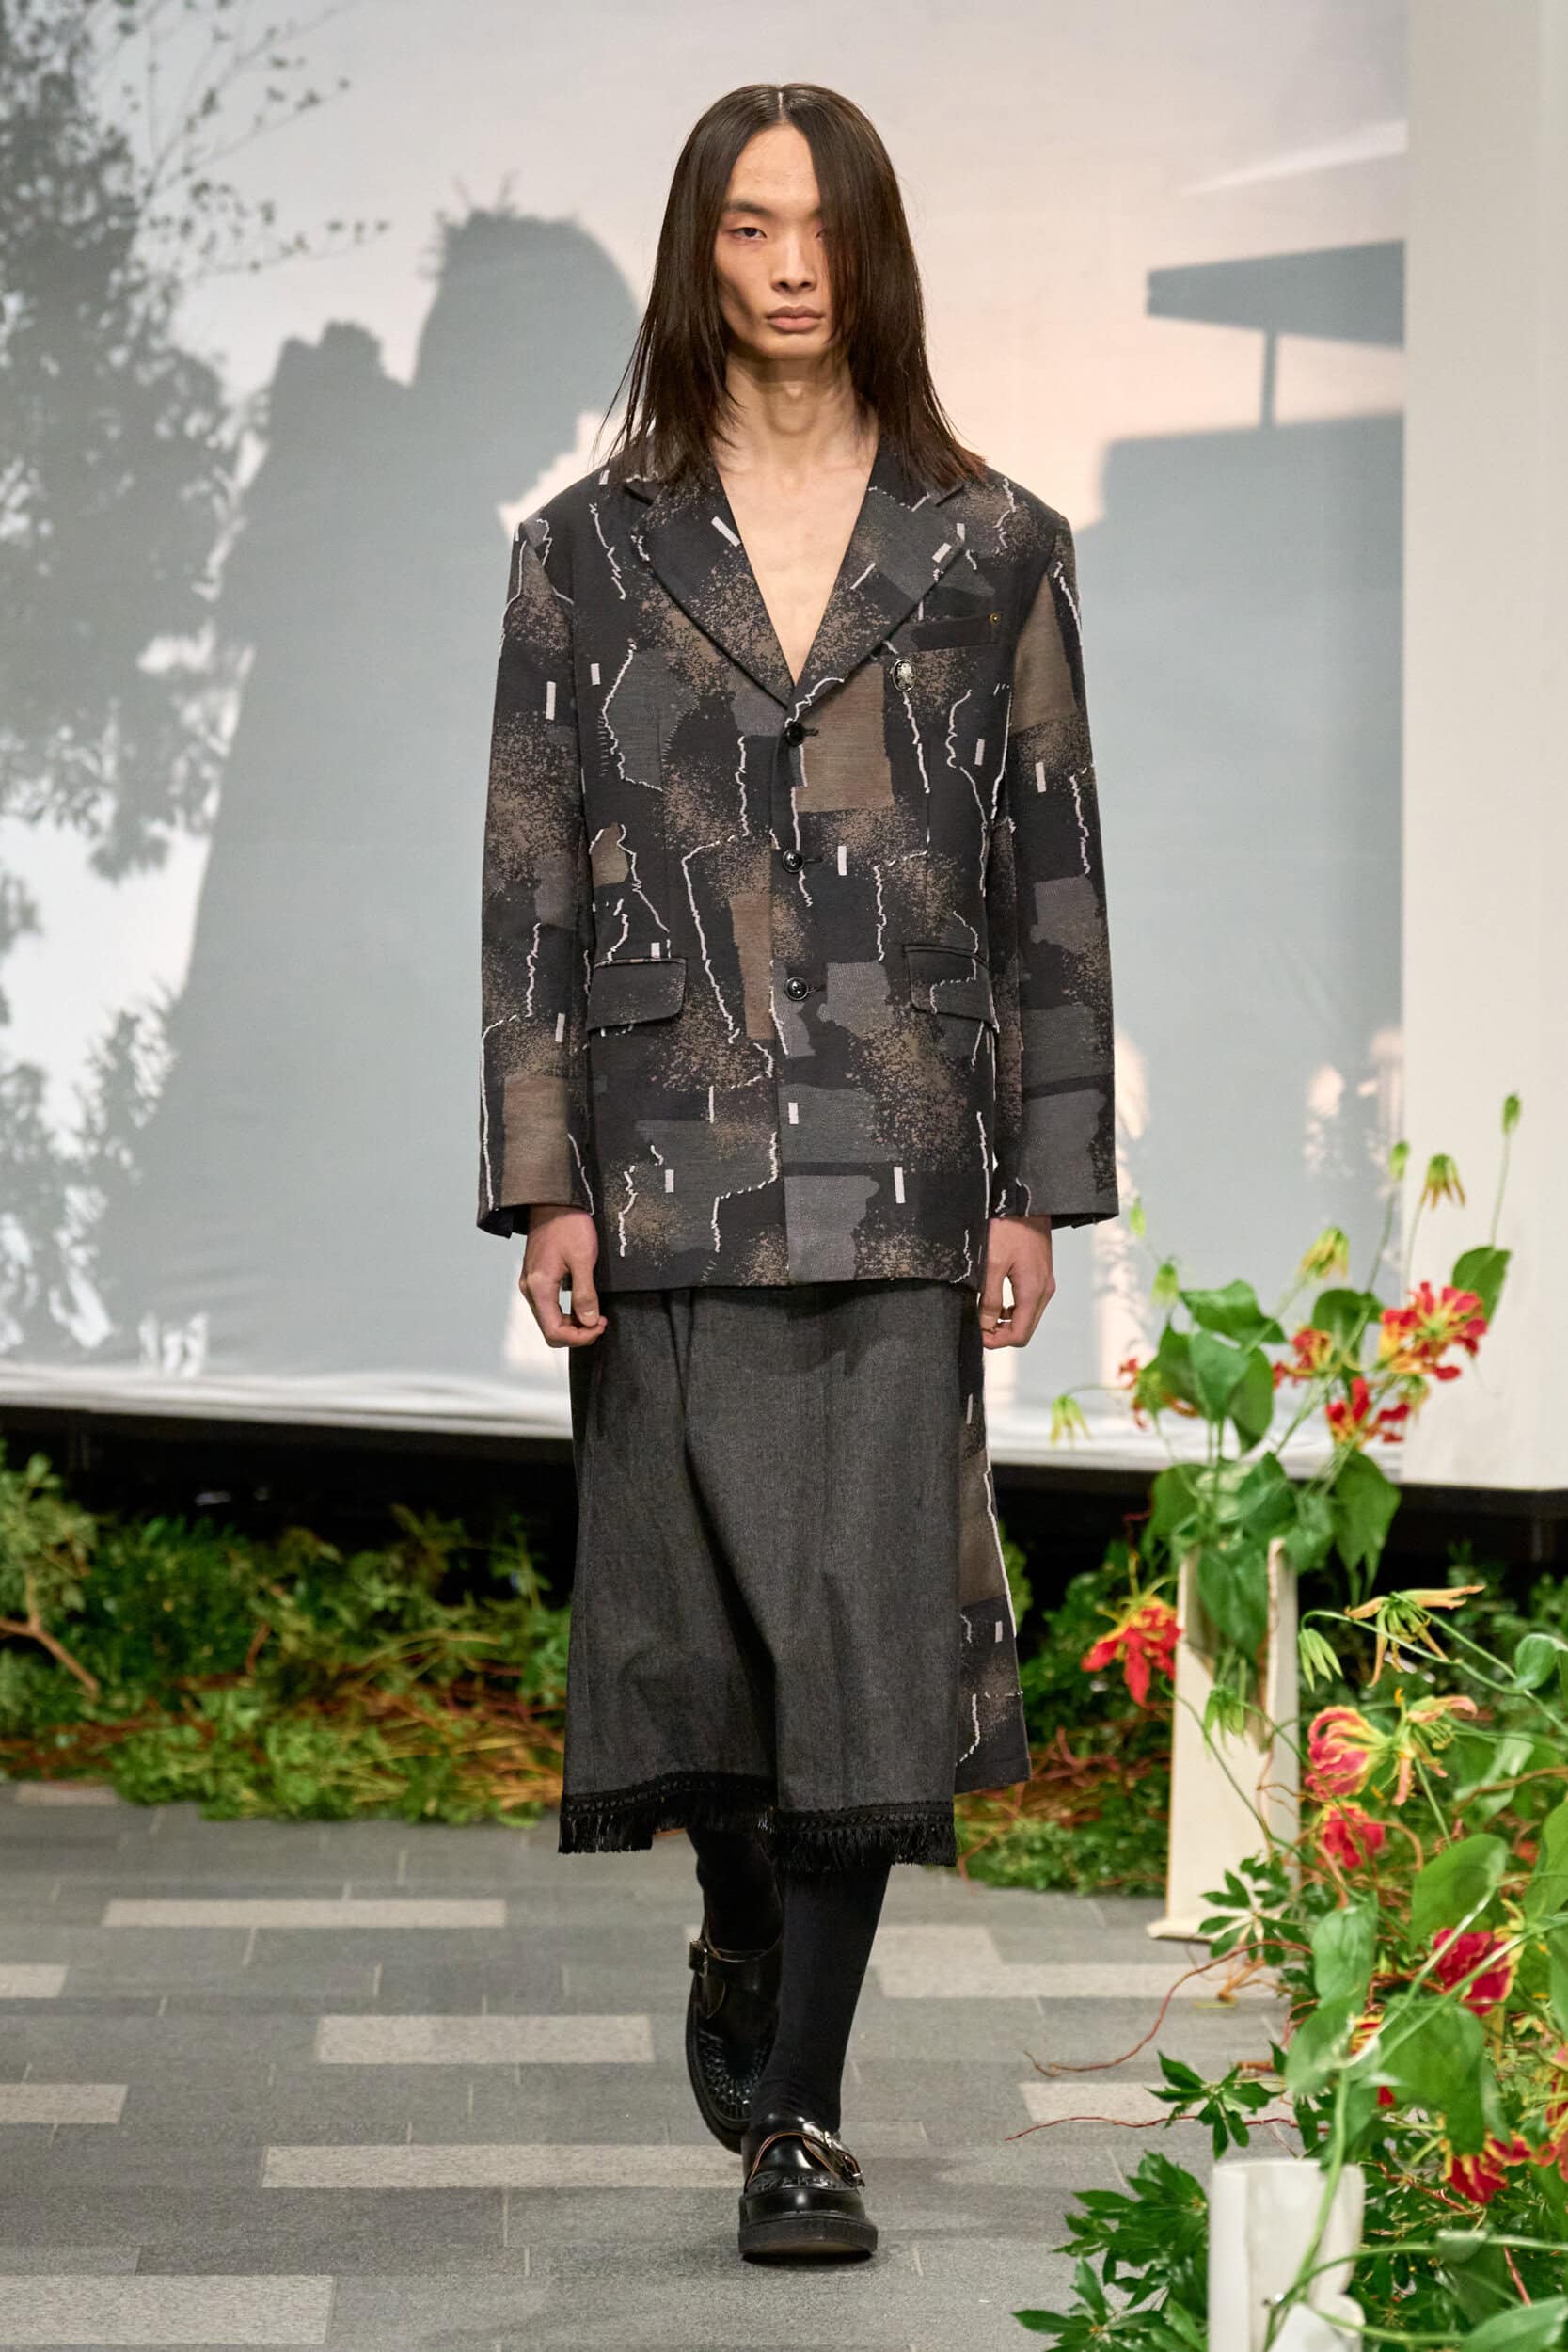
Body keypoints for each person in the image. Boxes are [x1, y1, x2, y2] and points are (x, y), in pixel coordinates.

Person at [476, 81, 1118, 2264]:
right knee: (702, 1648)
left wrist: (1039, 1176)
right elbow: (533, 874)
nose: (787, 265)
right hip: (665, 1152)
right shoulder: (586, 551)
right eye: (749, 225)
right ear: (703, 252)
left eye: (820, 224)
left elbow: (1052, 877)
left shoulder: (994, 540)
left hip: (905, 1156)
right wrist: (543, 1175)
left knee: (865, 1634)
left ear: (873, 249)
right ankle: (740, 1907)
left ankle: (806, 2120)